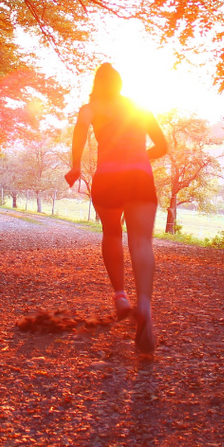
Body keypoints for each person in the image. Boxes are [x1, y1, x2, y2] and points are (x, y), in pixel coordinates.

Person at [65, 63, 168, 353]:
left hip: (107, 178)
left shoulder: (91, 108)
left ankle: (121, 297)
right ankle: (145, 307)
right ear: (120, 84)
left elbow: (80, 134)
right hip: (139, 177)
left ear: (97, 84)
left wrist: (75, 166)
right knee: (141, 241)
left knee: (112, 233)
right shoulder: (139, 108)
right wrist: (138, 156)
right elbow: (162, 146)